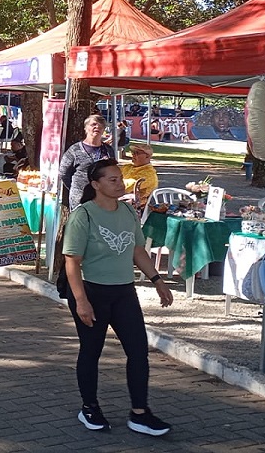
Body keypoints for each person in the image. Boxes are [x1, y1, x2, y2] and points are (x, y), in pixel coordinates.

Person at [62, 158, 174, 436]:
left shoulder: (127, 211)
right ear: (95, 185)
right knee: (91, 351)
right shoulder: (83, 215)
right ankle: (89, 407)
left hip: (124, 292)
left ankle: (140, 413)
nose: (119, 183)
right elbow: (72, 262)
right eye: (112, 179)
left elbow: (137, 251)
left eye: (120, 178)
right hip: (92, 291)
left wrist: (157, 280)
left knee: (138, 351)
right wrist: (81, 301)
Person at [59, 115, 115, 209]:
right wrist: (77, 187)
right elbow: (63, 173)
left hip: (103, 200)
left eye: (101, 126)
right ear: (86, 128)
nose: (97, 127)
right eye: (93, 124)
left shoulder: (108, 150)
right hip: (80, 201)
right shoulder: (74, 150)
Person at [119, 144, 159, 208]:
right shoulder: (127, 167)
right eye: (133, 152)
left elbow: (125, 187)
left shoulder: (149, 174)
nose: (133, 155)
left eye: (137, 153)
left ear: (147, 156)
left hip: (132, 209)